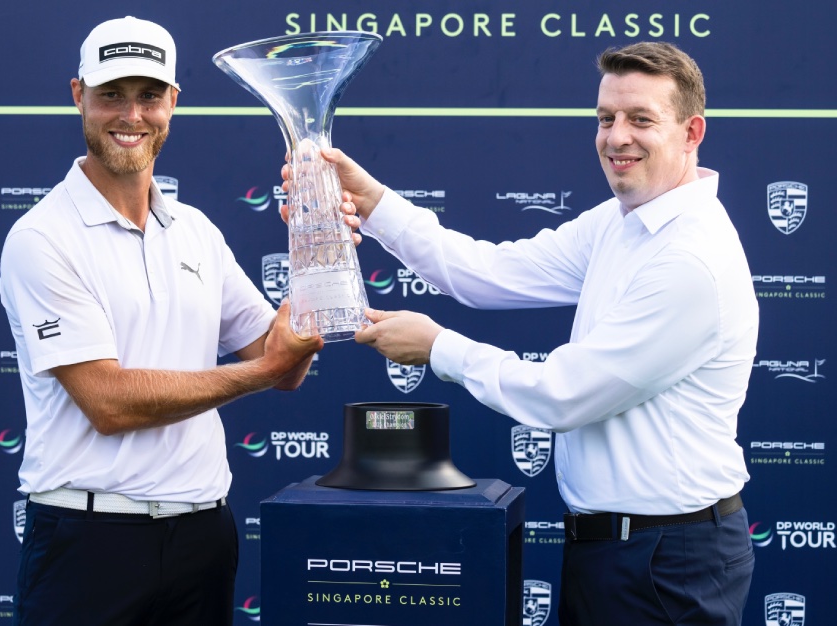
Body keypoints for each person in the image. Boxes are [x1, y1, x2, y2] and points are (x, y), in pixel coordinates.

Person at [286, 42, 757, 624]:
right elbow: (486, 273)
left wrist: (439, 348)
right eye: (605, 119)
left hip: (666, 561)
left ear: (692, 133)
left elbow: (564, 395)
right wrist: (373, 202)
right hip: (618, 550)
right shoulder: (623, 222)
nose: (617, 137)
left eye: (641, 120)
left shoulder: (691, 259)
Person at [0, 16, 322, 626]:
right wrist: (264, 370)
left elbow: (284, 360)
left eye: (149, 95)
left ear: (172, 102)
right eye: (111, 95)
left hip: (203, 538)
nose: (131, 116)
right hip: (89, 545)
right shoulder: (42, 238)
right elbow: (108, 402)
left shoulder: (196, 231)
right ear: (79, 96)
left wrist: (316, 246)